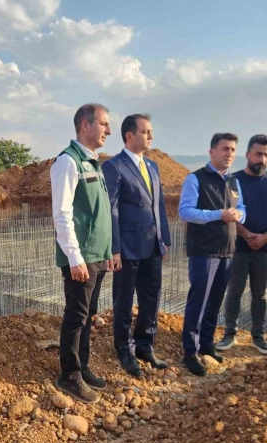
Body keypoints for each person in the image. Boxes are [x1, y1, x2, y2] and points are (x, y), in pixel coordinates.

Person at [50, 103, 113, 403]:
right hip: (81, 257)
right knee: (76, 316)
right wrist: (74, 258)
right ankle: (69, 374)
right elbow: (62, 214)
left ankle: (82, 366)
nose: (108, 130)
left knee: (88, 315)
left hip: (96, 255)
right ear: (85, 125)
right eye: (103, 124)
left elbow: (100, 213)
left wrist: (107, 251)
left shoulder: (93, 163)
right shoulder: (68, 162)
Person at [102, 114, 171, 376]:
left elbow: (159, 205)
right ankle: (124, 348)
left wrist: (163, 239)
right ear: (129, 136)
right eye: (145, 132)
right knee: (124, 300)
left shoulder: (152, 166)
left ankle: (144, 344)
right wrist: (114, 249)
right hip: (128, 248)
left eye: (151, 131)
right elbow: (111, 210)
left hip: (152, 246)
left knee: (151, 298)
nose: (151, 136)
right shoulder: (114, 167)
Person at [178, 133, 246, 376]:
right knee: (199, 301)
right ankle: (190, 351)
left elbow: (242, 208)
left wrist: (239, 215)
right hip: (204, 251)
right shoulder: (195, 179)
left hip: (227, 250)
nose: (229, 154)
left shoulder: (234, 181)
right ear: (212, 152)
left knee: (215, 301)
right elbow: (185, 211)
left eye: (233, 150)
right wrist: (218, 214)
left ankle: (206, 343)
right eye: (225, 149)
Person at [216, 135, 267, 355]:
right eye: (258, 154)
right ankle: (230, 333)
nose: (262, 159)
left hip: (265, 248)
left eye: (266, 155)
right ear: (248, 154)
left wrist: (266, 237)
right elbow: (228, 212)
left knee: (260, 292)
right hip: (237, 246)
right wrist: (247, 235)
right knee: (234, 290)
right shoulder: (233, 181)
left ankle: (258, 336)